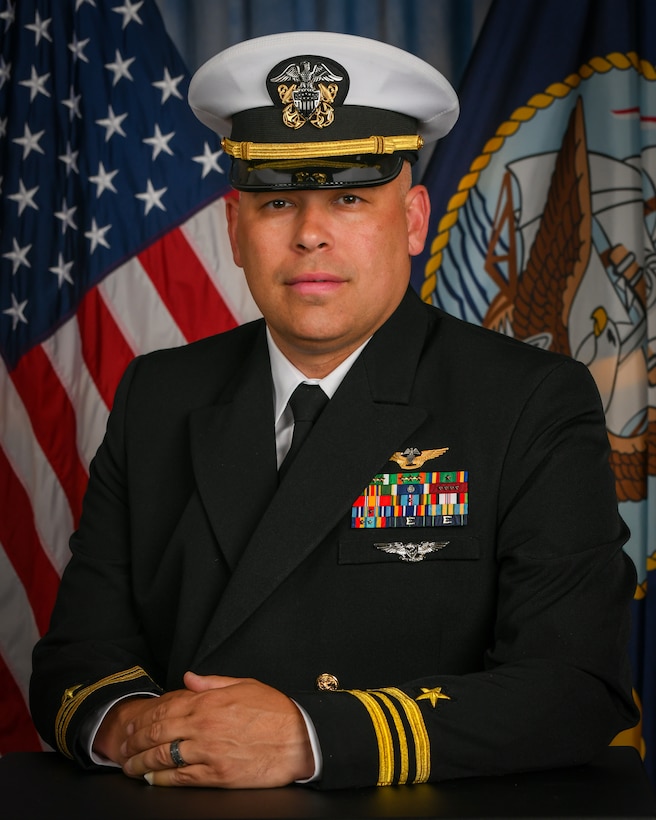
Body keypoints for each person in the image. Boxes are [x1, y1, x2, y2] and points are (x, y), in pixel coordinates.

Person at [30, 31, 638, 791]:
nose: (310, 233)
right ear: (236, 232)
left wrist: (312, 737)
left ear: (413, 221)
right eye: (277, 200)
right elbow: (74, 660)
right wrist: (137, 728)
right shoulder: (161, 394)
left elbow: (575, 687)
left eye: (349, 197)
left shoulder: (527, 401)